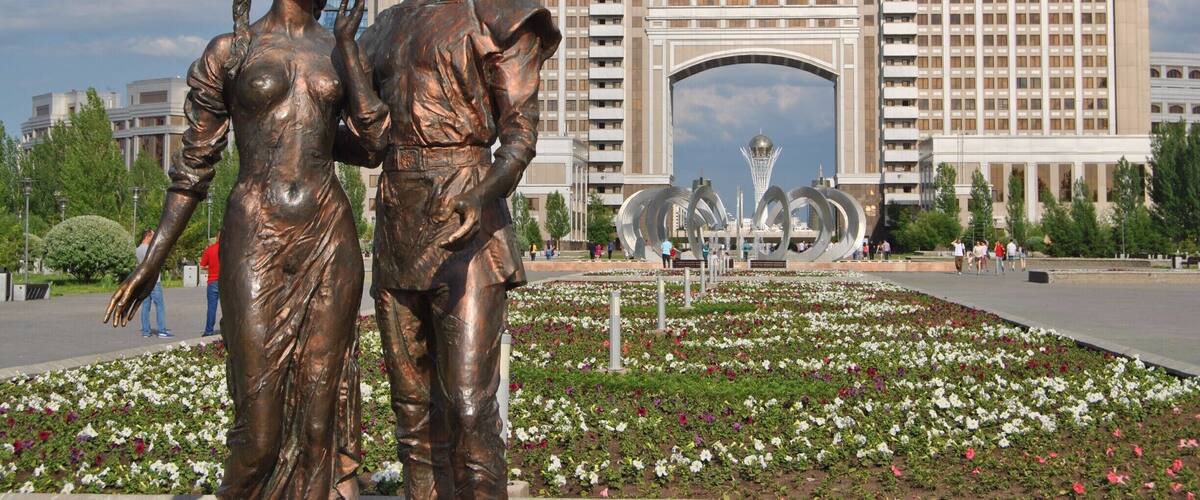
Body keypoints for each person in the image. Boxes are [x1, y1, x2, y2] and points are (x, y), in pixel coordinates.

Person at [106, 1, 376, 495]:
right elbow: (194, 167)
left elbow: (373, 144)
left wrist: (352, 63)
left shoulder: (337, 49)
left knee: (319, 431)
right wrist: (152, 262)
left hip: (328, 235)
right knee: (259, 433)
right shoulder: (231, 50)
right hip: (256, 232)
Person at [342, 1, 561, 496]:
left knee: (468, 404)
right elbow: (362, 130)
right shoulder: (387, 26)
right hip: (399, 221)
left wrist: (482, 192)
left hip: (469, 221)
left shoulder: (498, 17)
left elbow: (519, 137)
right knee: (412, 408)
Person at [134, 229, 171, 338]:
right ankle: (162, 330)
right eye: (153, 236)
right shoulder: (150, 250)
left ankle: (146, 331)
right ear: (148, 236)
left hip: (143, 281)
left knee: (145, 306)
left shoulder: (138, 249)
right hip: (154, 281)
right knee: (159, 306)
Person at [199, 232, 221, 337]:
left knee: (212, 308)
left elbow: (202, 266)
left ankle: (209, 331)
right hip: (224, 281)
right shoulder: (229, 250)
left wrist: (210, 267)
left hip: (212, 281)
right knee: (227, 308)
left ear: (216, 238)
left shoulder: (209, 250)